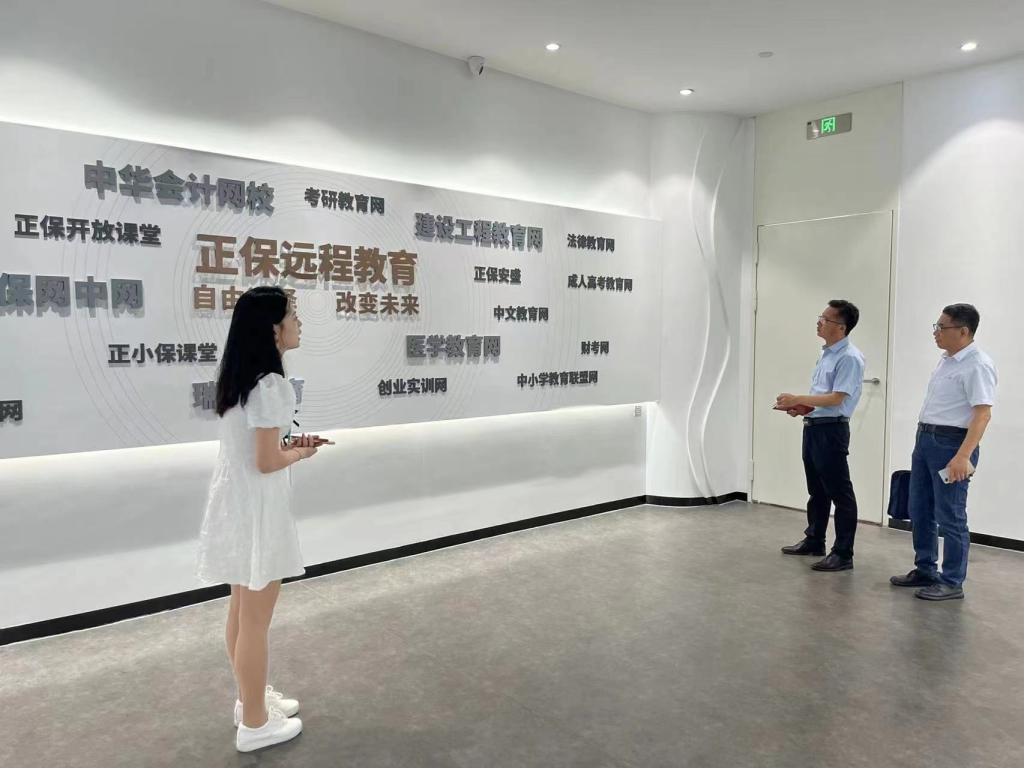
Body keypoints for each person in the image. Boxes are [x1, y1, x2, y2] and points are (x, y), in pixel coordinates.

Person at [197, 286, 326, 752]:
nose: (298, 323)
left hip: (236, 505)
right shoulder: (271, 385)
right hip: (258, 511)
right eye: (293, 315)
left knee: (240, 610)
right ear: (273, 328)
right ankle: (255, 723)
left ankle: (248, 701)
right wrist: (301, 453)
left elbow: (257, 452)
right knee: (254, 620)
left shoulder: (241, 381)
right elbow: (268, 461)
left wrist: (288, 448)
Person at [890, 303, 996, 601]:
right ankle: (925, 569)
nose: (936, 332)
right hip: (926, 439)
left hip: (952, 444)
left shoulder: (977, 364)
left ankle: (951, 581)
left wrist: (963, 456)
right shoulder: (946, 361)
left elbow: (982, 414)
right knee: (920, 509)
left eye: (942, 327)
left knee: (950, 514)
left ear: (963, 331)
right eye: (935, 326)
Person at [777, 300, 865, 572]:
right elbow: (823, 397)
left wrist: (798, 397)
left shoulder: (849, 357)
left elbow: (837, 398)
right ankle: (815, 539)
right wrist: (802, 407)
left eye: (825, 319)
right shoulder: (827, 354)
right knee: (816, 490)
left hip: (832, 430)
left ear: (841, 327)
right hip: (815, 426)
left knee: (840, 492)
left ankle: (843, 553)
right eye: (821, 317)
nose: (819, 322)